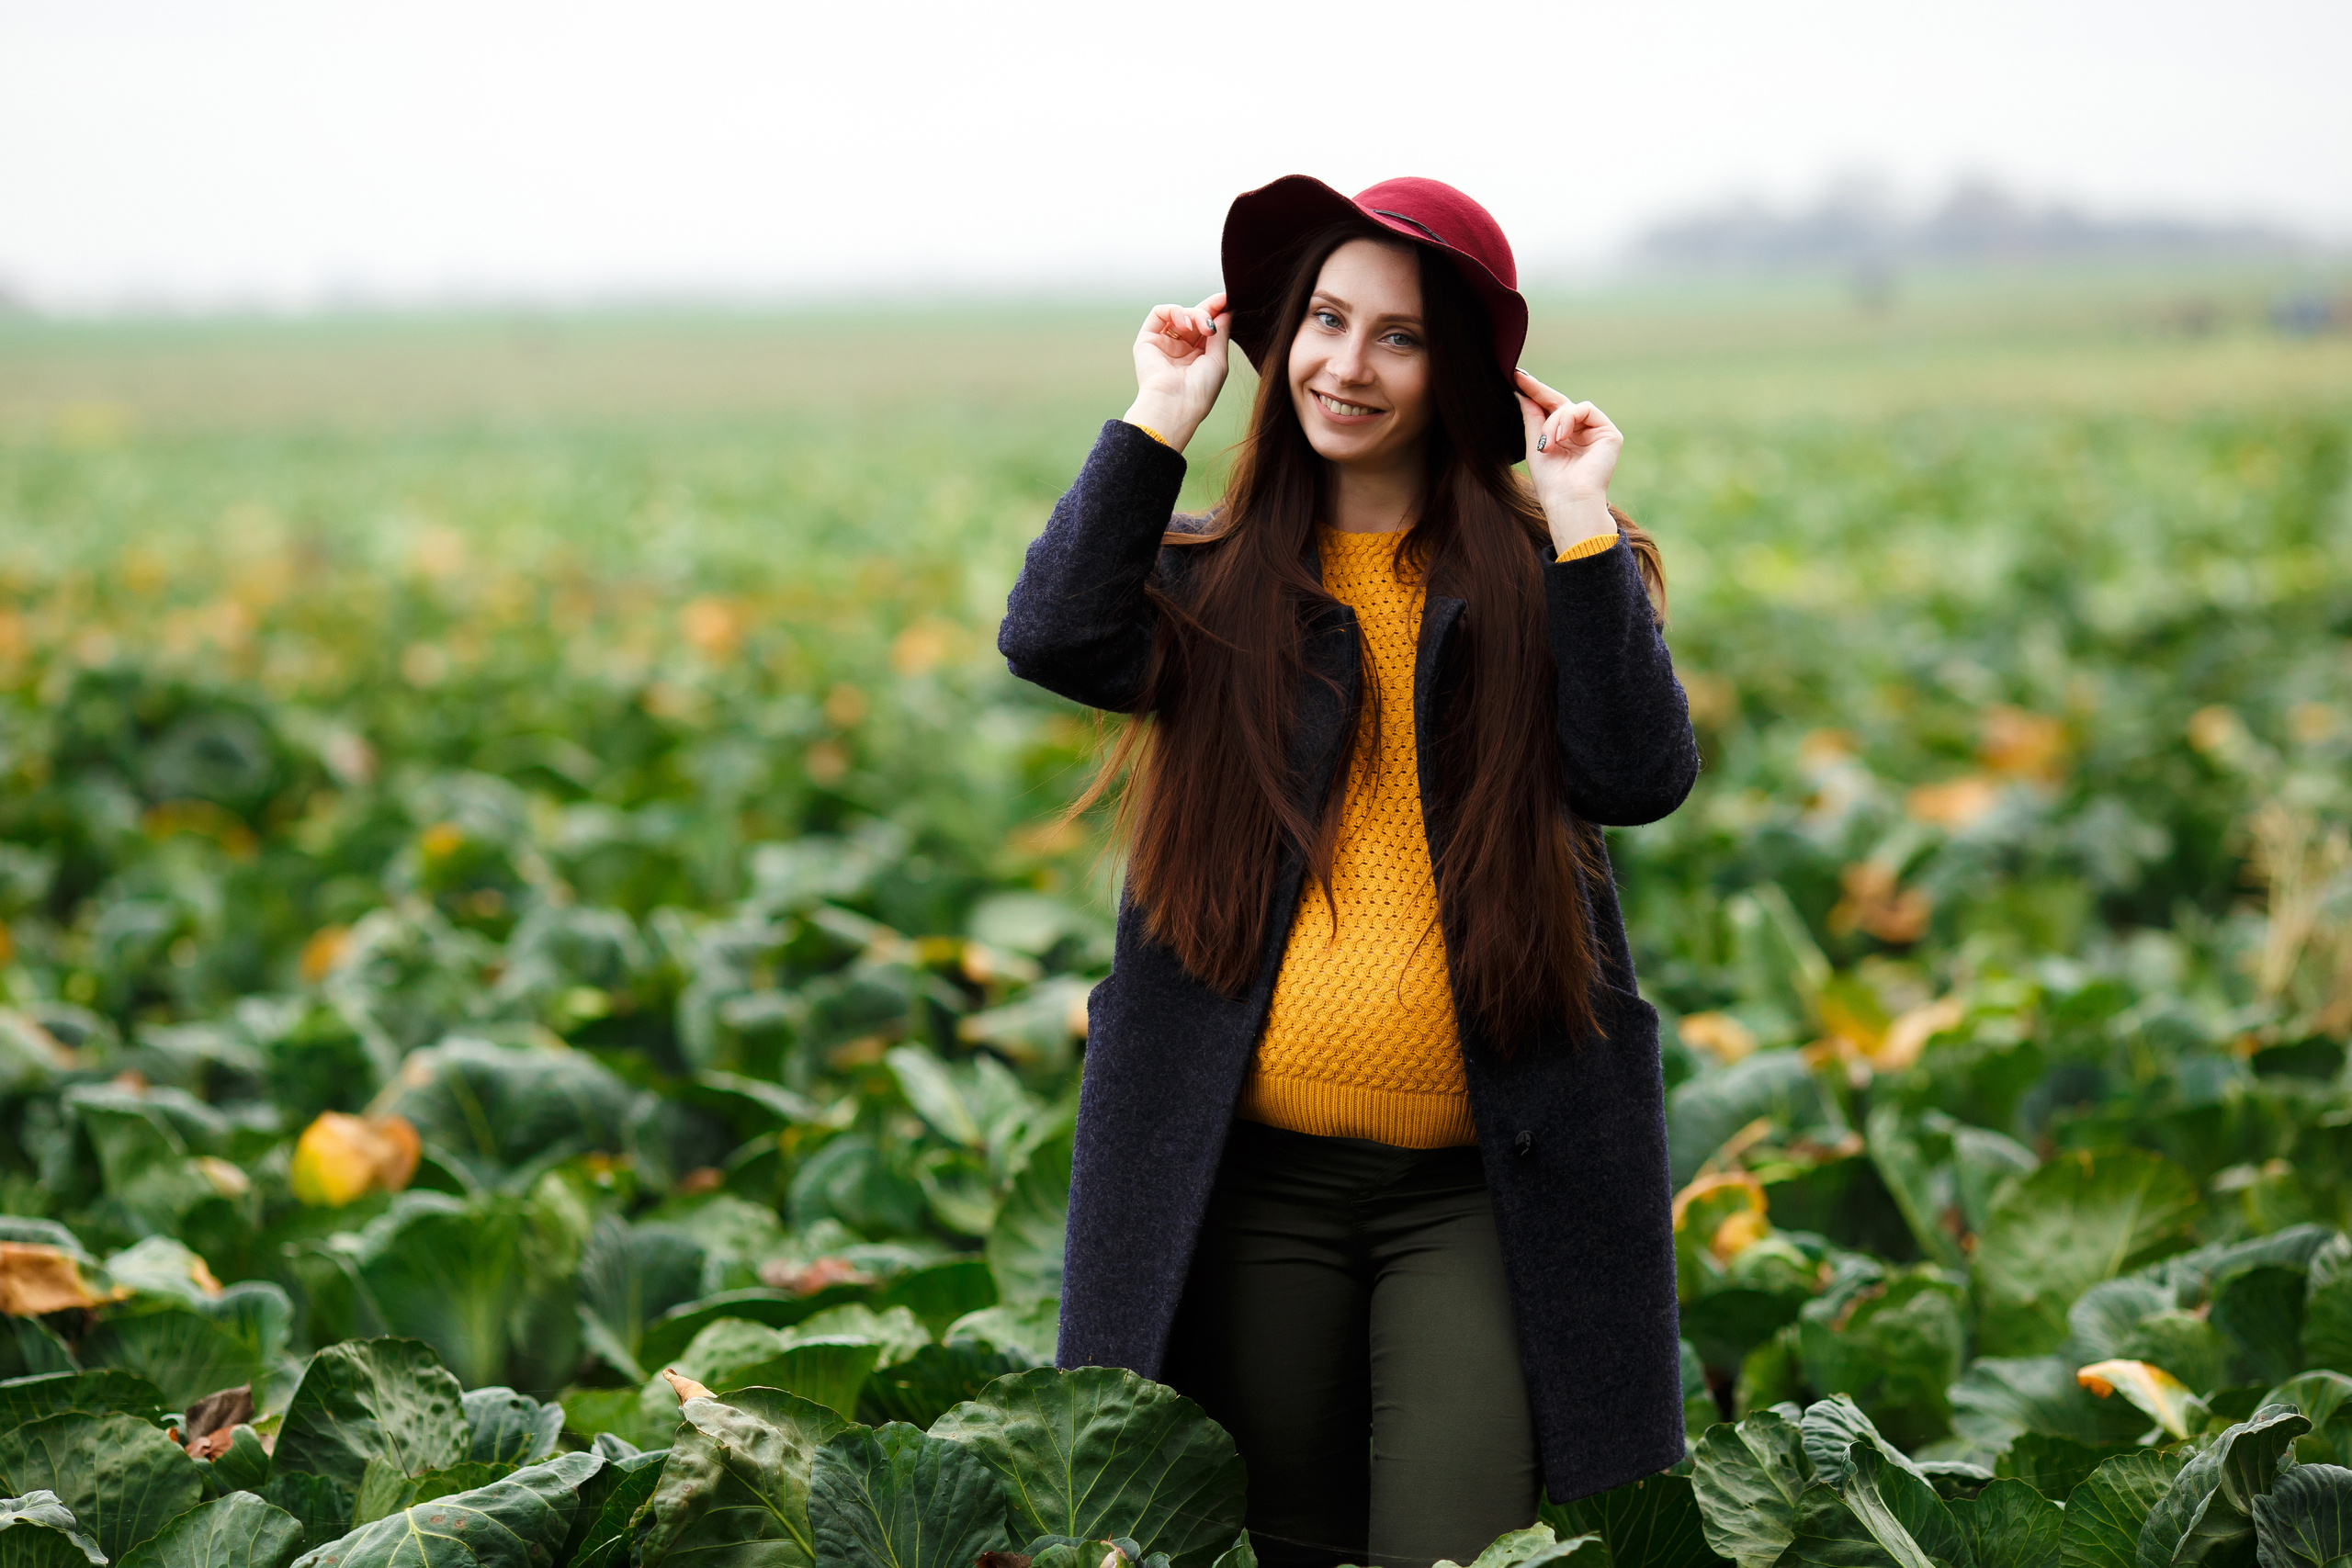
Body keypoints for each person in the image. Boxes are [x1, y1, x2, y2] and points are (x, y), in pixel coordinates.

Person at [996, 175, 1699, 1567]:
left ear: (1464, 374)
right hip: (1247, 1180)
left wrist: (1577, 517)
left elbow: (1637, 772)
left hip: (1484, 1191)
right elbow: (1053, 634)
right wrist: (1159, 418)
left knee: (1461, 1542)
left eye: (1400, 337)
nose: (1347, 365)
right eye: (1325, 319)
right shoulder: (1213, 592)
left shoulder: (1540, 576)